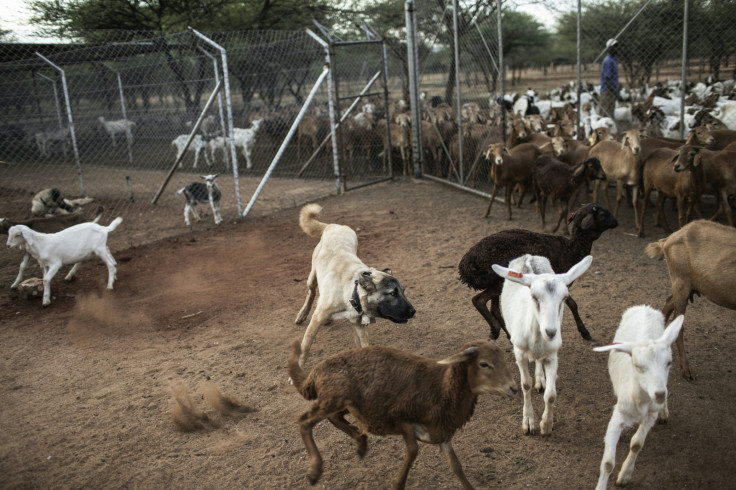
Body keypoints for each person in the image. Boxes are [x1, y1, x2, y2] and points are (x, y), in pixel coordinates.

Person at [599, 38, 619, 118]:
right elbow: (607, 79)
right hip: (608, 91)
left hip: (611, 91)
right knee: (606, 116)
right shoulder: (608, 61)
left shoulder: (614, 60)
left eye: (617, 46)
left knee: (610, 115)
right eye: (614, 46)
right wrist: (615, 92)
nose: (616, 48)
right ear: (609, 48)